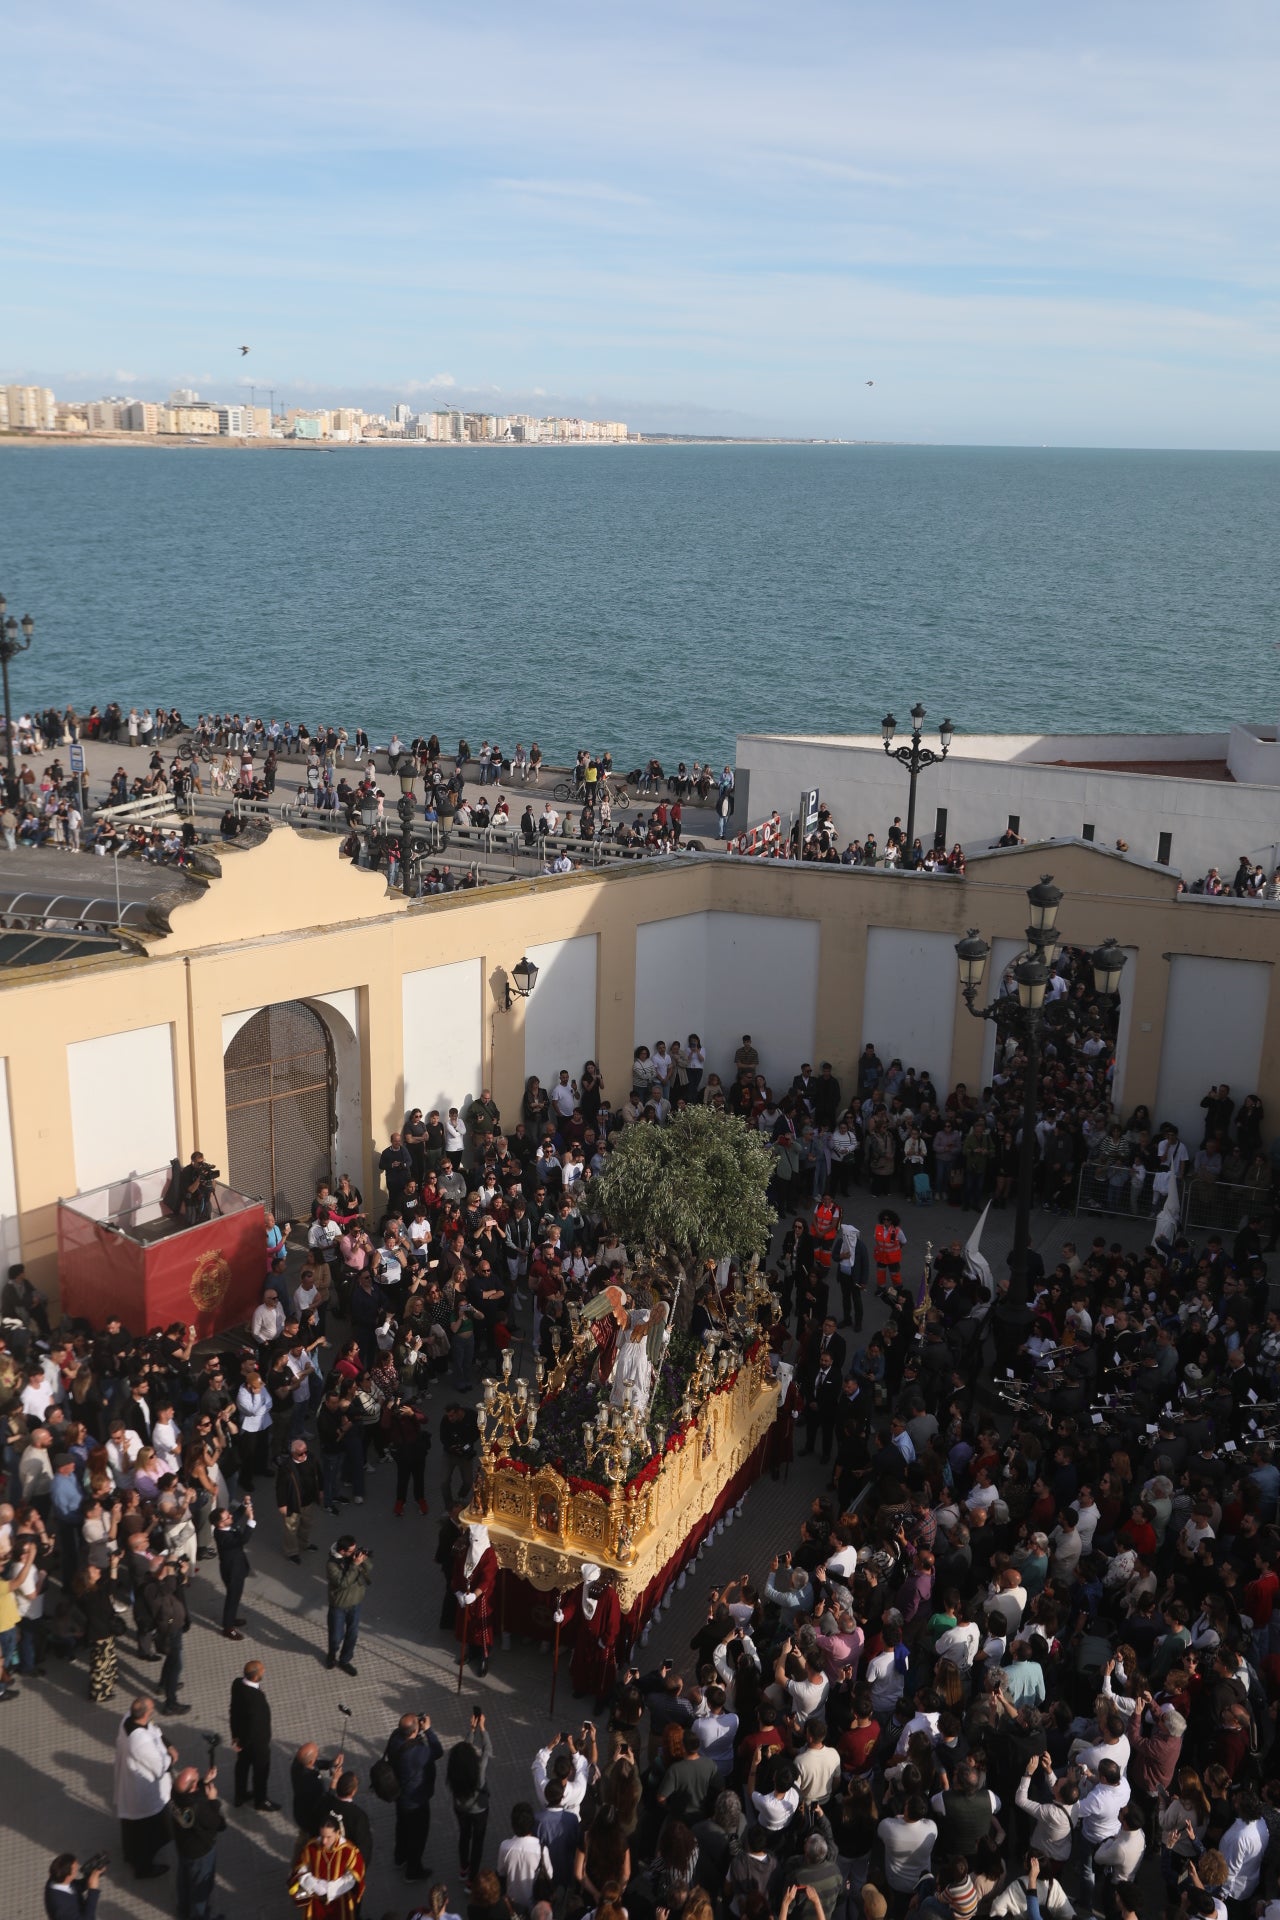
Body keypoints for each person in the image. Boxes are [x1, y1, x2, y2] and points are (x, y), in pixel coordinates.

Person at [113, 1695, 175, 1880]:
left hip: (132, 1787)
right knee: (149, 1833)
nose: (153, 1712)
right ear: (144, 1714)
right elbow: (160, 1765)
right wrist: (172, 1756)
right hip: (144, 1794)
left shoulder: (128, 1719)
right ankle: (143, 1867)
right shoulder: (140, 1741)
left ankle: (131, 1854)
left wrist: (168, 1744)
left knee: (132, 1828)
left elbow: (157, 1731)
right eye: (151, 1709)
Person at [387, 1710, 444, 1882]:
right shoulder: (418, 1753)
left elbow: (406, 1733)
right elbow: (438, 1751)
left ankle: (400, 1857)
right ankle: (413, 1871)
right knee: (418, 1836)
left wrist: (417, 1729)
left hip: (400, 1795)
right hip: (416, 1801)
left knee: (402, 1827)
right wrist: (428, 1730)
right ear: (413, 1731)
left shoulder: (395, 1738)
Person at [170, 1760, 226, 1920]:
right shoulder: (200, 1808)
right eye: (195, 1773)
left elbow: (191, 1797)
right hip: (201, 1852)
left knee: (184, 1879)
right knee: (201, 1887)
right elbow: (219, 1824)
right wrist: (213, 1801)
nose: (196, 1768)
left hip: (183, 1846)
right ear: (193, 1786)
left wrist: (204, 1782)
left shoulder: (175, 1794)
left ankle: (183, 1910)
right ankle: (199, 1916)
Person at [289, 1813, 366, 1919]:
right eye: (322, 1836)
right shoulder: (311, 1847)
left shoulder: (349, 1850)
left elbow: (352, 1877)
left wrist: (330, 1889)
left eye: (328, 1837)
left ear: (338, 1833)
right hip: (316, 1899)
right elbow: (301, 1869)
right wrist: (314, 1884)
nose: (324, 1841)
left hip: (340, 1899)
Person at [230, 1657, 278, 1812]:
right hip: (257, 1743)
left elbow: (234, 1711)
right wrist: (244, 1742)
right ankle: (260, 1800)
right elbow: (253, 1727)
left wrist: (236, 1737)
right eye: (262, 1669)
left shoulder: (237, 1683)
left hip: (240, 1736)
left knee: (242, 1766)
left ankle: (240, 1795)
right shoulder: (255, 1700)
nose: (264, 1670)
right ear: (256, 1675)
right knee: (261, 1771)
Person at [453, 1521, 498, 1676]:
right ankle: (471, 1652)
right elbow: (459, 1570)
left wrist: (475, 1594)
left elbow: (488, 1577)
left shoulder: (489, 1554)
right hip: (466, 1596)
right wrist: (458, 1592)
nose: (474, 1544)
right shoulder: (466, 1550)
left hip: (481, 1600)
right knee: (467, 1626)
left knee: (482, 1630)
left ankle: (484, 1657)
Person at [326, 1536, 374, 1676]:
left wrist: (363, 1559)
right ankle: (332, 1654)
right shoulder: (332, 1564)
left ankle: (345, 1660)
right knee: (336, 1636)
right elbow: (343, 1583)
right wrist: (355, 1565)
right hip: (339, 1605)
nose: (355, 1552)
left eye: (355, 1549)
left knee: (352, 1634)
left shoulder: (354, 1557)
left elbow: (369, 1568)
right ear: (342, 1551)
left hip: (355, 1603)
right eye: (352, 1550)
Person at [213, 1500, 254, 1640]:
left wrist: (244, 1505)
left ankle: (231, 1618)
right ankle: (228, 1627)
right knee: (232, 1598)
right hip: (232, 1571)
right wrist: (250, 1520)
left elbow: (235, 1516)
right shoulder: (223, 1537)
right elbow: (243, 1540)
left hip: (238, 1566)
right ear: (220, 1524)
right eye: (227, 1517)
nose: (230, 1517)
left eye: (228, 1515)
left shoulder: (227, 1525)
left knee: (236, 1596)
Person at [43, 1855, 105, 1920]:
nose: (78, 1869)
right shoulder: (61, 1909)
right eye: (75, 1870)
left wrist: (94, 1875)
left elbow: (77, 1887)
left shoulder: (56, 1878)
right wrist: (93, 1890)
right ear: (68, 1877)